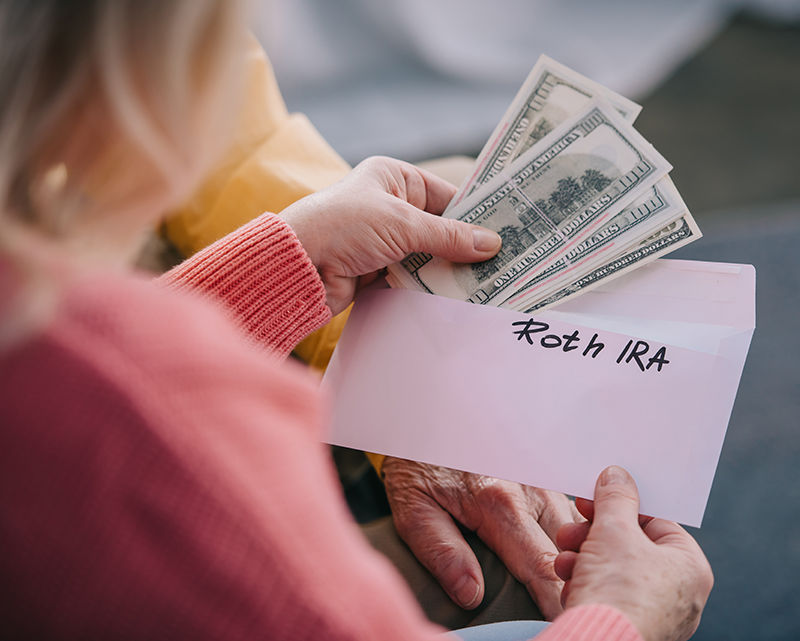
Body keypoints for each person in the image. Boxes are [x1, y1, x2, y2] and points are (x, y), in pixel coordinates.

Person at [0, 1, 714, 640]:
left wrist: (293, 264)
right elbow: (131, 390)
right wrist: (625, 621)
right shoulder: (149, 425)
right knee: (517, 590)